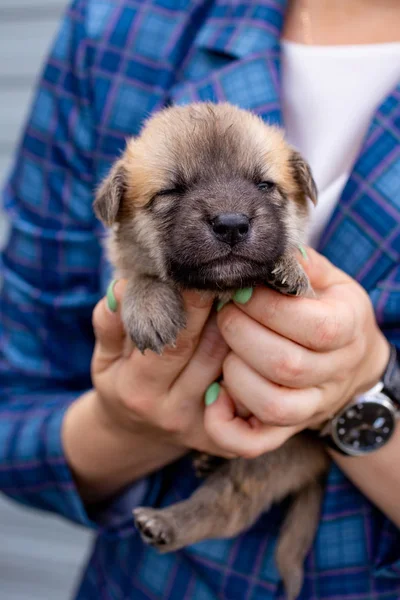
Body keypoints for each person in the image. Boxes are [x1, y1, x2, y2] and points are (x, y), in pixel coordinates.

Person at [1, 0, 400, 597]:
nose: (234, 217)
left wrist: (360, 392)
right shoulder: (117, 26)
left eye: (265, 187)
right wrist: (122, 423)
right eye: (169, 195)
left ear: (296, 186)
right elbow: (15, 419)